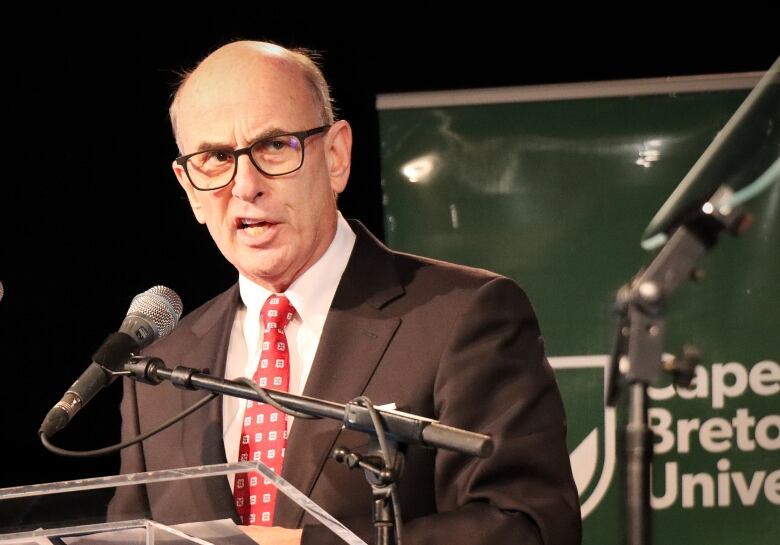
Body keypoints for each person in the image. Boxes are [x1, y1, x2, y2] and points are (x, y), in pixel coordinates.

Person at [108, 40, 581, 545]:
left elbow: (528, 527)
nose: (245, 185)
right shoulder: (157, 370)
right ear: (188, 187)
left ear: (336, 156)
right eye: (216, 157)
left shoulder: (462, 316)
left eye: (274, 146)